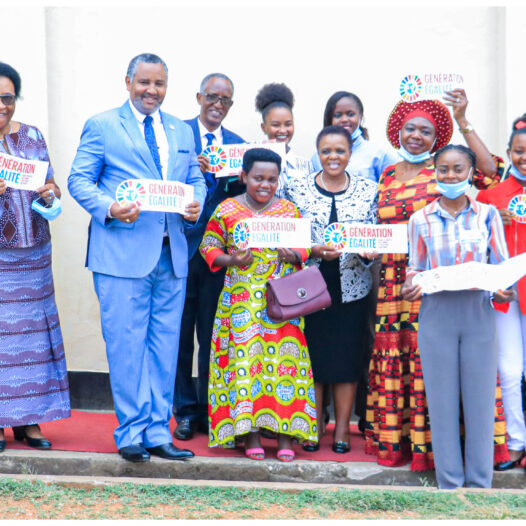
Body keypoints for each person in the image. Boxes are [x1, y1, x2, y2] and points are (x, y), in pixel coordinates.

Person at [68, 53, 207, 463]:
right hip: (121, 254)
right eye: (144, 82)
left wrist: (196, 201)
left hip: (172, 254)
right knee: (127, 346)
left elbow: (194, 179)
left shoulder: (181, 129)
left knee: (164, 347)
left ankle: (155, 431)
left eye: (159, 84)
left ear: (167, 86)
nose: (151, 91)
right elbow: (79, 179)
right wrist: (110, 208)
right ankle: (130, 431)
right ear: (128, 81)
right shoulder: (103, 125)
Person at [365, 96, 508, 472]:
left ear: (437, 137)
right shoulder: (386, 174)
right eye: (410, 128)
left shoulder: (446, 168)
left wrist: (463, 120)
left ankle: (456, 460)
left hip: (441, 284)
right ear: (398, 130)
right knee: (401, 362)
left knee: (442, 371)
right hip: (395, 285)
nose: (415, 135)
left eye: (426, 130)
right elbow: (379, 227)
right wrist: (367, 250)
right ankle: (406, 444)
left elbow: (491, 172)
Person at [402, 144, 513, 489]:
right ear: (435, 173)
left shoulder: (488, 215)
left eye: (458, 170)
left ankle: (480, 484)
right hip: (437, 314)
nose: (450, 176)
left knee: (480, 402)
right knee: (442, 400)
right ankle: (450, 484)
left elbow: (501, 266)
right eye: (444, 170)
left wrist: (502, 288)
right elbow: (415, 269)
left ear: (470, 173)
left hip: (478, 312)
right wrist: (410, 286)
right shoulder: (420, 219)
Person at [200, 148, 317, 462]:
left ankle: (285, 437)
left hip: (282, 302)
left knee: (285, 369)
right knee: (244, 367)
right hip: (239, 303)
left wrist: (293, 256)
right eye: (257, 178)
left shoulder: (289, 211)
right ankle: (249, 434)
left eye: (271, 179)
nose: (265, 184)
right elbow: (209, 246)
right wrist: (231, 259)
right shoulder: (227, 209)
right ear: (243, 177)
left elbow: (304, 248)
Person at [284, 125, 377, 453]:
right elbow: (287, 234)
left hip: (351, 288)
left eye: (340, 151)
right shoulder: (297, 189)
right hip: (309, 287)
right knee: (313, 359)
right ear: (318, 153)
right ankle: (312, 426)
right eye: (326, 151)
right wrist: (313, 249)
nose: (333, 157)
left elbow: (375, 237)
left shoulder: (369, 190)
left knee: (347, 361)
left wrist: (369, 254)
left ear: (350, 153)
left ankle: (340, 429)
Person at [0, 62, 70, 452]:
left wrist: (50, 192)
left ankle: (30, 421)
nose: (1, 105)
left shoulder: (32, 137)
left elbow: (52, 183)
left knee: (31, 339)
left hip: (35, 255)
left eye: (7, 97)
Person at [173, 73, 245, 442]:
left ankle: (209, 411)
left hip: (220, 258)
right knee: (181, 336)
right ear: (199, 96)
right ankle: (184, 411)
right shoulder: (177, 134)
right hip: (179, 252)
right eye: (213, 97)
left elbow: (242, 199)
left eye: (226, 100)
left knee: (214, 335)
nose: (218, 104)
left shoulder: (239, 146)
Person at [477, 116, 526, 471]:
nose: (524, 157)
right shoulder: (489, 197)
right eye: (519, 151)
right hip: (505, 295)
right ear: (508, 153)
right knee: (509, 371)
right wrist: (493, 217)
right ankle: (515, 442)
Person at [310, 91, 399, 183]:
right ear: (329, 119)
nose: (344, 119)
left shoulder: (379, 154)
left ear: (360, 116)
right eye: (337, 115)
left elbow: (395, 189)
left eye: (350, 114)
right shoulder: (317, 158)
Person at [255, 83, 312, 197]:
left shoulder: (306, 165)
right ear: (264, 127)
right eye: (275, 125)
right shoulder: (254, 162)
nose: (282, 130)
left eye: (288, 124)